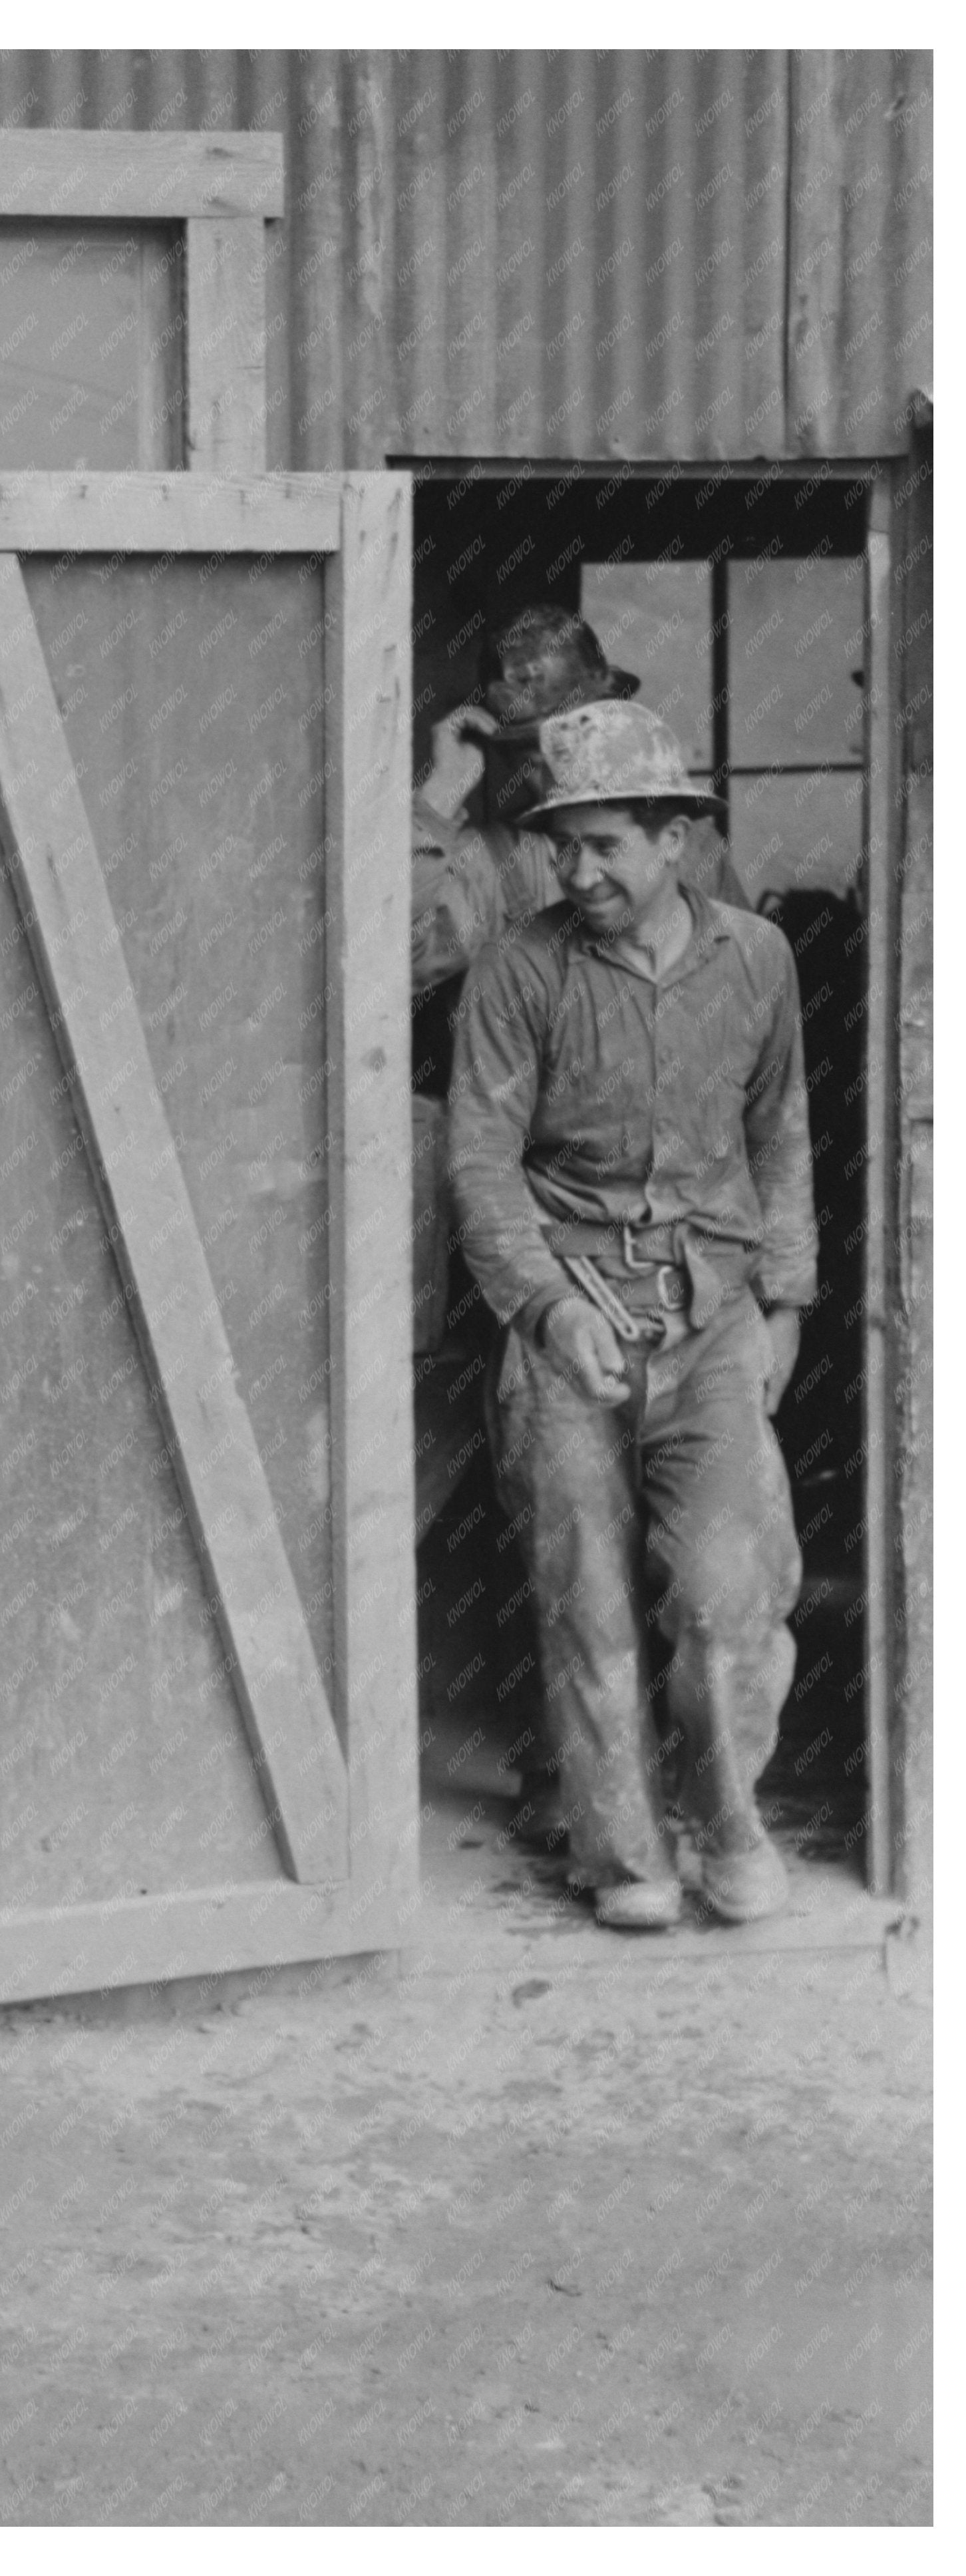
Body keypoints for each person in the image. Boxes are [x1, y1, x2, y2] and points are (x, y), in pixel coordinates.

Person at [448, 701, 816, 1931]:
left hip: (714, 1320)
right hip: (568, 1320)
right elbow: (480, 1163)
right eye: (563, 846)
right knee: (588, 1602)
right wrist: (549, 1309)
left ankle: (727, 1821)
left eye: (604, 843)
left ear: (675, 839)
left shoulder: (758, 958)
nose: (578, 871)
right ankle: (626, 1856)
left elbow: (782, 1132)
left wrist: (785, 1300)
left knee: (724, 1591)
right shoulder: (518, 970)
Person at [412, 604, 751, 998]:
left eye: (572, 746)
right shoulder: (494, 861)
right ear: (509, 758)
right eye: (534, 759)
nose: (560, 774)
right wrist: (439, 797)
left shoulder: (689, 840)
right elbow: (396, 960)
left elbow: (747, 979)